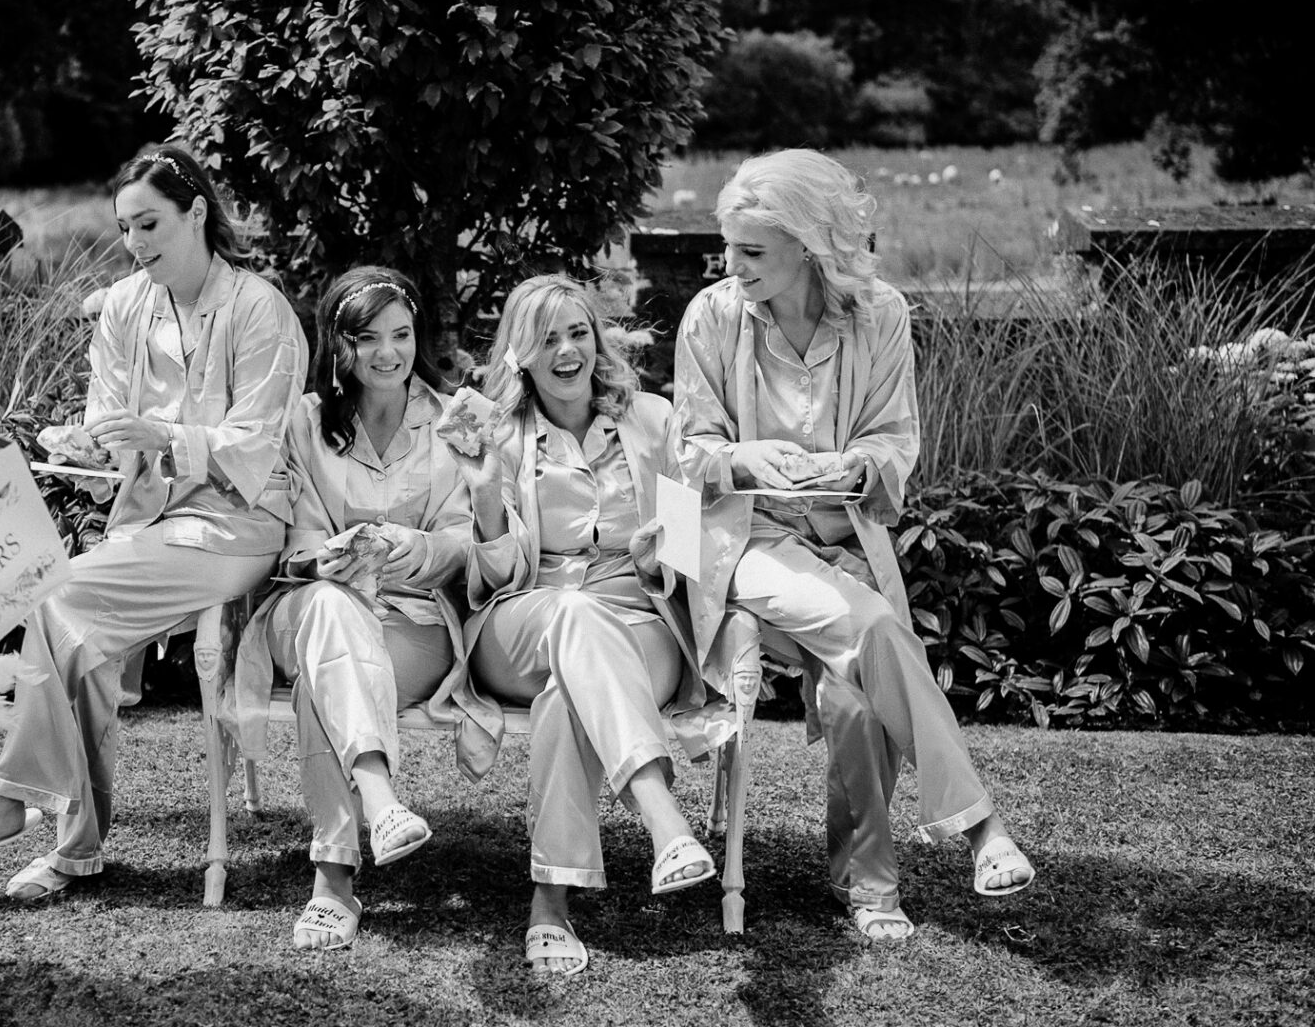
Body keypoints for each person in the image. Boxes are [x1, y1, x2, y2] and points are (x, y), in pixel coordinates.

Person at [0, 144, 308, 902]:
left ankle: (8, 800)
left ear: (196, 212)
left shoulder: (259, 309)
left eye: (150, 223)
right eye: (125, 229)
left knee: (60, 598)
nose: (136, 244)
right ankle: (75, 852)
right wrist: (89, 444)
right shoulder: (124, 304)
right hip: (148, 519)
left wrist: (163, 438)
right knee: (80, 643)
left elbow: (259, 444)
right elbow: (108, 420)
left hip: (238, 525)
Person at [674, 147, 1036, 943]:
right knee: (874, 630)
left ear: (807, 245)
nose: (731, 266)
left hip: (844, 541)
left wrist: (856, 462)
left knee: (857, 696)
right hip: (745, 544)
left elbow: (894, 439)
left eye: (752, 252)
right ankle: (979, 829)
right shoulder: (711, 315)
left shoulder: (880, 314)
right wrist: (740, 457)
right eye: (728, 248)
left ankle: (867, 885)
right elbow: (685, 448)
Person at [459, 274, 730, 976]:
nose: (566, 350)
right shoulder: (498, 434)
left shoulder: (650, 420)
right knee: (573, 618)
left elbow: (688, 547)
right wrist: (486, 494)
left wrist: (657, 555)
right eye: (546, 338)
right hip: (522, 614)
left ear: (596, 339)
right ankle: (659, 812)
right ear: (520, 352)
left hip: (637, 615)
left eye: (577, 331)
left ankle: (550, 904)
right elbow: (485, 580)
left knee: (566, 695)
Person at [226, 266, 494, 950]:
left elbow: (473, 539)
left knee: (326, 678)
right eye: (367, 337)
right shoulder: (305, 422)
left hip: (416, 624)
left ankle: (334, 878)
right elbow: (293, 538)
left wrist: (410, 548)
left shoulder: (458, 419)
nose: (387, 353)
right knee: (326, 608)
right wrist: (327, 559)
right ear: (338, 344)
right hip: (309, 606)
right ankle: (378, 801)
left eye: (401, 335)